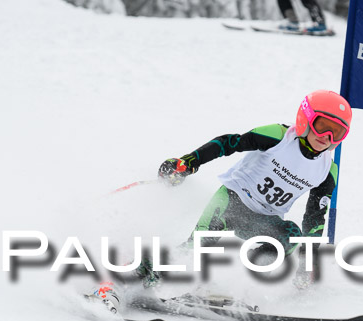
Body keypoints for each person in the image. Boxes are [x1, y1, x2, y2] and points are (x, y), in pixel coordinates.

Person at [151, 89, 352, 289]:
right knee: (196, 249)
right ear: (305, 119)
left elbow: (314, 218)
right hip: (231, 201)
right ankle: (143, 272)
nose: (327, 137)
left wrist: (308, 264)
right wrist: (189, 162)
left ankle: (239, 289)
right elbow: (228, 143)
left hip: (262, 220)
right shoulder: (280, 137)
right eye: (322, 126)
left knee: (290, 236)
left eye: (337, 133)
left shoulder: (327, 171)